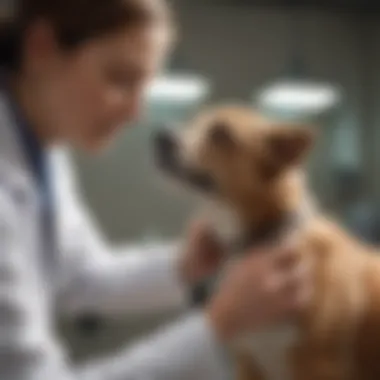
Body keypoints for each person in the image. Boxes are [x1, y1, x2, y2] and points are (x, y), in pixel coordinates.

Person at [0, 1, 311, 379]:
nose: (137, 112)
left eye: (145, 86)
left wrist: (184, 265)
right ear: (41, 47)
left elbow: (81, 275)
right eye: (120, 79)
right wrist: (219, 324)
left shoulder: (43, 145)